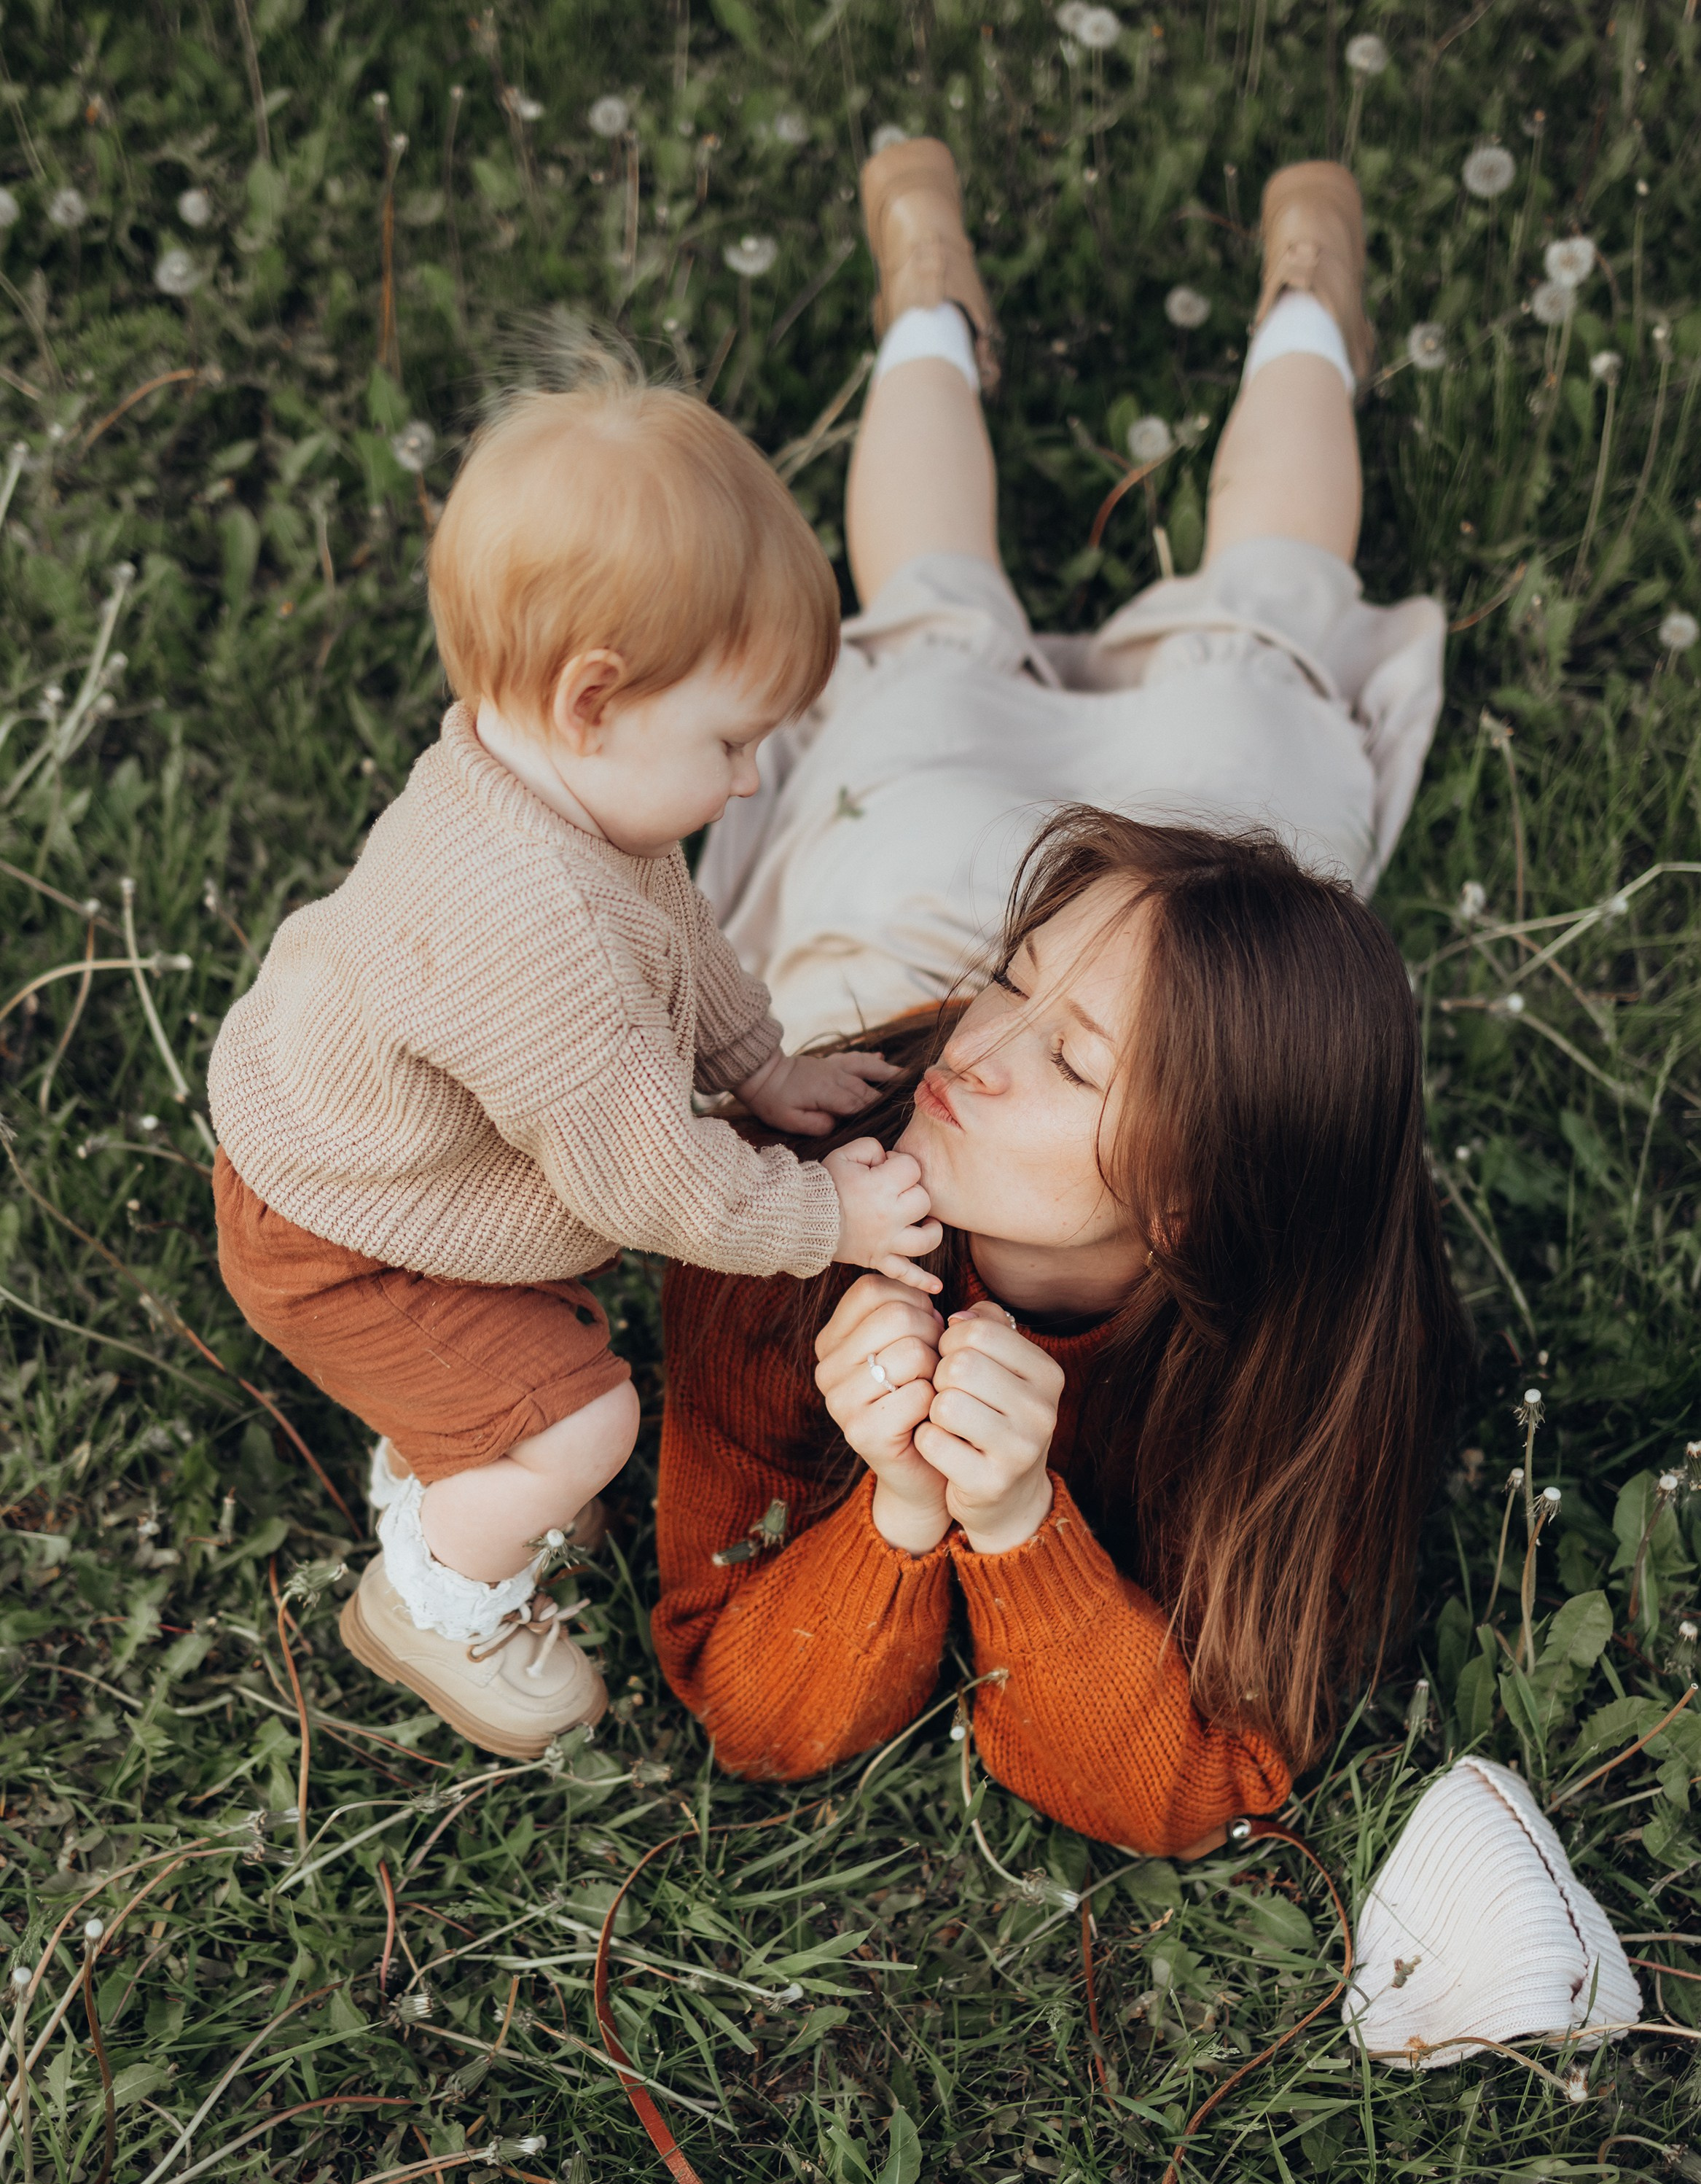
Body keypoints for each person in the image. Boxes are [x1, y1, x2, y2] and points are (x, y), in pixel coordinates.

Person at [650, 150, 1469, 1856]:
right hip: (930, 918)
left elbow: (1200, 1788)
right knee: (1203, 639)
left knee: (1066, 631)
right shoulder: (779, 1203)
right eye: (1013, 1004)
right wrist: (887, 1514)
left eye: (1068, 1064)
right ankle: (938, 310)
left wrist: (1003, 1522)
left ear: (1192, 1198)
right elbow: (739, 1689)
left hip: (1142, 956)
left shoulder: (1301, 1360)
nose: (981, 1053)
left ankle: (1305, 289)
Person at [206, 382, 945, 1758]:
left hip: (361, 1157)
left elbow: (676, 929)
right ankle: (436, 1593)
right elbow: (655, 1185)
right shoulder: (531, 944)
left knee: (542, 1379)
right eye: (730, 744)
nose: (742, 783)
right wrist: (825, 1218)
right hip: (341, 1240)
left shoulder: (552, 783)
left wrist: (758, 1071)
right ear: (591, 696)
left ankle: (466, 1442)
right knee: (589, 1424)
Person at [702, 149, 1447, 1047]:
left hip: (1167, 973)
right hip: (911, 919)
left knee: (1263, 613)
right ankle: (928, 292)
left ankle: (1307, 298)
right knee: (935, 611)